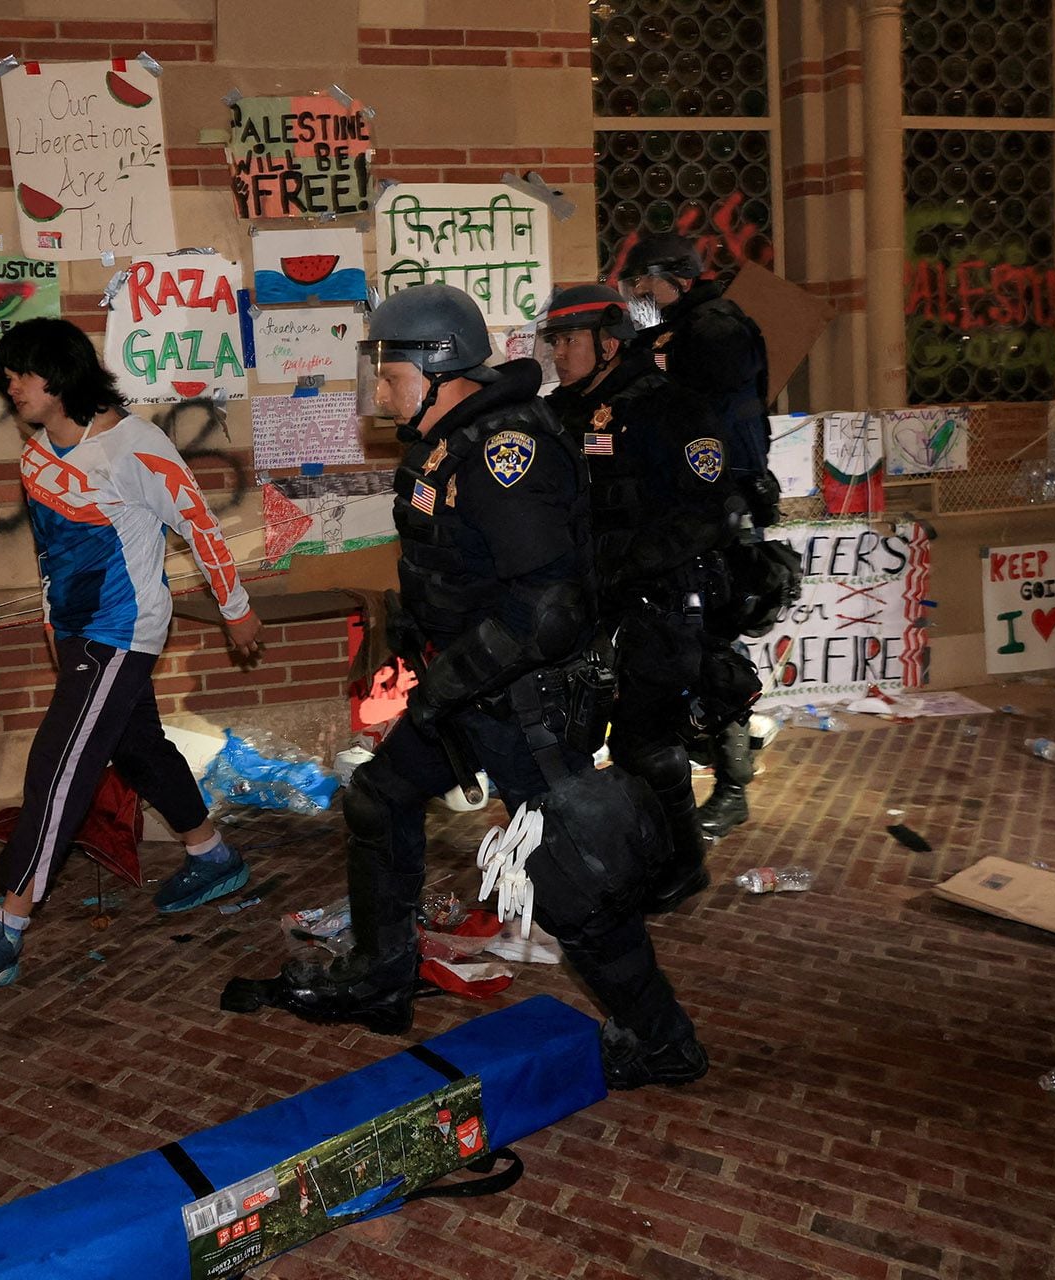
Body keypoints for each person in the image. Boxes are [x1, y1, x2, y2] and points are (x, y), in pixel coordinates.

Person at [223, 284, 707, 1090]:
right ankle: (380, 975)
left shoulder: (502, 450)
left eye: (390, 371)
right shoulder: (443, 441)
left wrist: (452, 678)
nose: (379, 389)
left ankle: (662, 1040)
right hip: (466, 691)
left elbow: (548, 610)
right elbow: (455, 572)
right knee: (379, 797)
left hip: (524, 703)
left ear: (437, 366)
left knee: (573, 877)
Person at [0, 318, 263, 999]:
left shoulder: (136, 448)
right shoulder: (36, 459)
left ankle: (7, 929)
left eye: (20, 372)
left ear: (60, 374)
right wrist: (53, 626)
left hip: (125, 630)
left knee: (58, 768)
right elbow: (53, 556)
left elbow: (198, 524)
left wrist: (236, 611)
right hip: (78, 633)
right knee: (137, 747)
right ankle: (212, 855)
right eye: (6, 375)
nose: (10, 385)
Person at [539, 285, 747, 912]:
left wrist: (627, 566)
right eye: (553, 342)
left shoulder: (670, 408)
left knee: (644, 741)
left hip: (659, 601)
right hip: (590, 605)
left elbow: (706, 513)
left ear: (608, 341)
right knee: (577, 737)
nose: (559, 355)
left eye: (568, 341)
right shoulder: (563, 412)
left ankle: (684, 864)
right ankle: (627, 853)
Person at [617, 235, 782, 839]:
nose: (636, 296)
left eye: (642, 285)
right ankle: (713, 750)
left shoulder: (713, 329)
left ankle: (733, 783)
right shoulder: (680, 328)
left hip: (720, 510)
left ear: (674, 281)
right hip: (679, 511)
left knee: (715, 641)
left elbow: (704, 413)